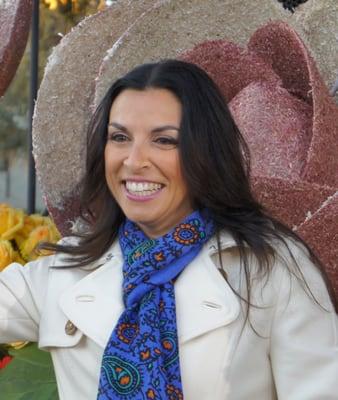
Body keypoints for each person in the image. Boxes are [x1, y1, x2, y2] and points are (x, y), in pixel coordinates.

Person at [0, 60, 337, 400]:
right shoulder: (65, 272)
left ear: (205, 151)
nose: (134, 161)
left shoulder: (271, 270)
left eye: (163, 140)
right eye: (119, 137)